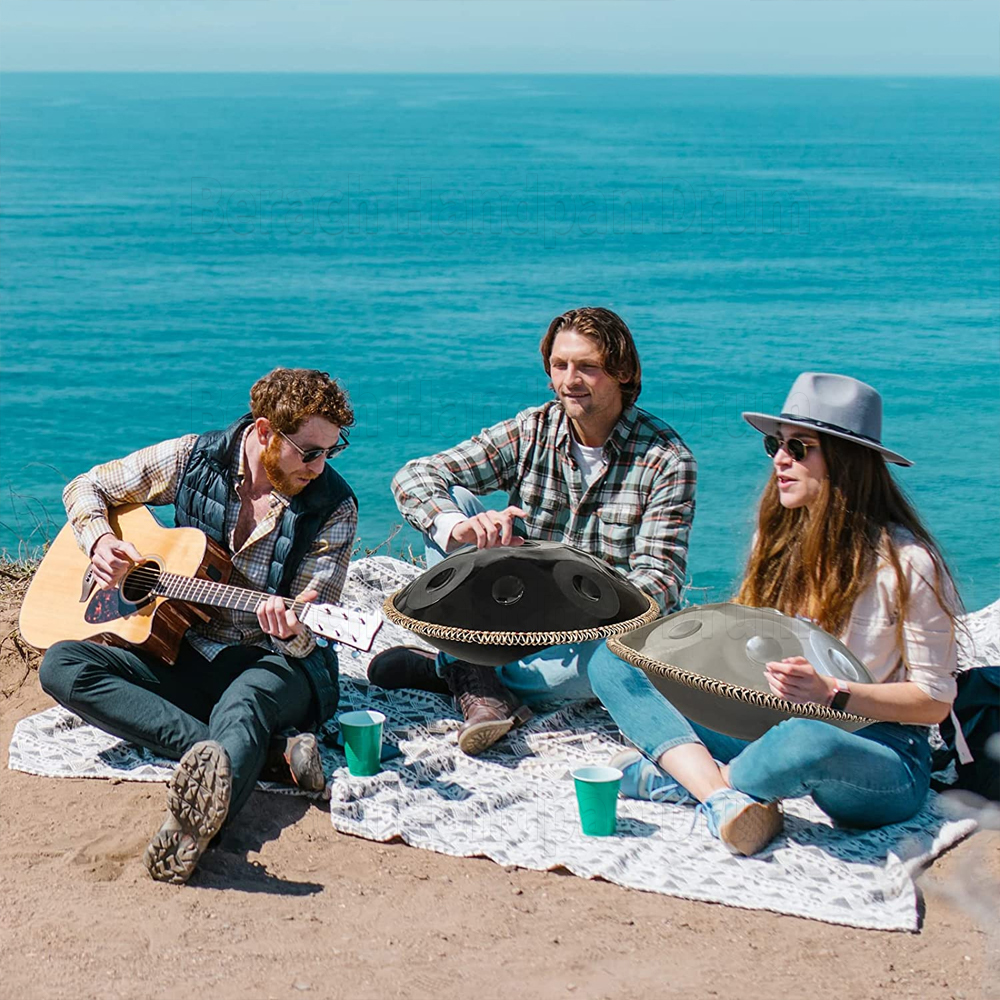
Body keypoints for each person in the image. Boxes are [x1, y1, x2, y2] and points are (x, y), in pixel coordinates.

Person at [588, 372, 962, 856]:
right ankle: (722, 797)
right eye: (775, 446)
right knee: (615, 660)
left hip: (876, 750)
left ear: (846, 462)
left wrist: (834, 693)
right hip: (765, 722)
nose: (780, 460)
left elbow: (934, 701)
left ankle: (690, 778)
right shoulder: (777, 542)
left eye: (799, 448)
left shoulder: (907, 563)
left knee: (807, 738)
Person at [38, 368, 358, 884]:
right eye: (309, 452)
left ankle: (194, 829)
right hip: (179, 647)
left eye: (330, 451)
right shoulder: (194, 457)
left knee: (246, 703)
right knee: (62, 665)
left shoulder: (333, 509)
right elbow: (87, 485)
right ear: (263, 433)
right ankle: (266, 756)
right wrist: (99, 542)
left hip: (271, 659)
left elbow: (311, 634)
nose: (320, 468)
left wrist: (291, 629)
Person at [370, 307, 697, 755]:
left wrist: (582, 616)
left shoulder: (666, 459)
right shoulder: (533, 429)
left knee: (609, 665)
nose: (569, 380)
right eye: (559, 365)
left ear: (622, 372)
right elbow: (415, 475)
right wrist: (462, 526)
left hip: (594, 633)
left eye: (587, 367)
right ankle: (478, 673)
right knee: (457, 506)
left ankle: (466, 671)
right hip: (512, 612)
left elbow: (660, 581)